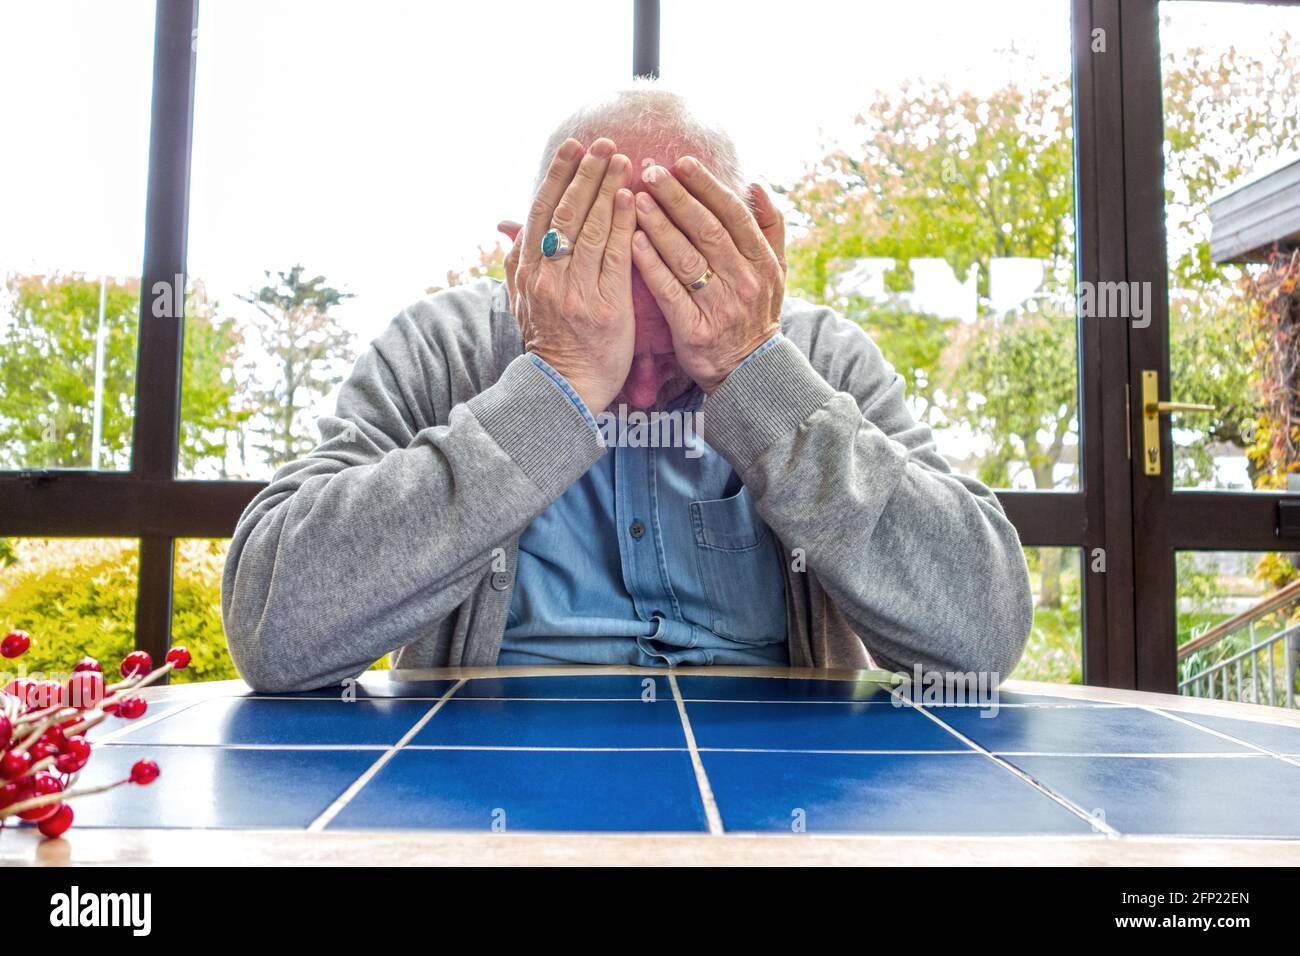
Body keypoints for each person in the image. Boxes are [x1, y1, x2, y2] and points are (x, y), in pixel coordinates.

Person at [221, 81, 1033, 693]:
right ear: (524, 265)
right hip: (485, 782)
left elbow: (982, 633)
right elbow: (272, 627)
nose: (641, 393)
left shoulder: (817, 358)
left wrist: (753, 372)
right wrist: (557, 383)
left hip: (776, 791)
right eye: (604, 325)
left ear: (757, 264)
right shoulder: (440, 349)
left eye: (678, 340)